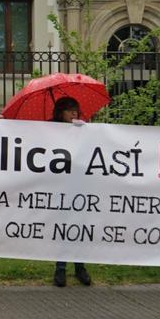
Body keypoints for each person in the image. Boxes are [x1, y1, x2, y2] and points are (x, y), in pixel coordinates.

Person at [46, 97, 91, 288]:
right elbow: (21, 133)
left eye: (76, 109)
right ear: (60, 112)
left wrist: (85, 131)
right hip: (57, 185)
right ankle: (61, 268)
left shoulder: (84, 129)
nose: (75, 113)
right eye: (70, 110)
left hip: (78, 184)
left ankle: (80, 266)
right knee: (64, 226)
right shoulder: (48, 128)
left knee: (78, 225)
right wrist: (0, 120)